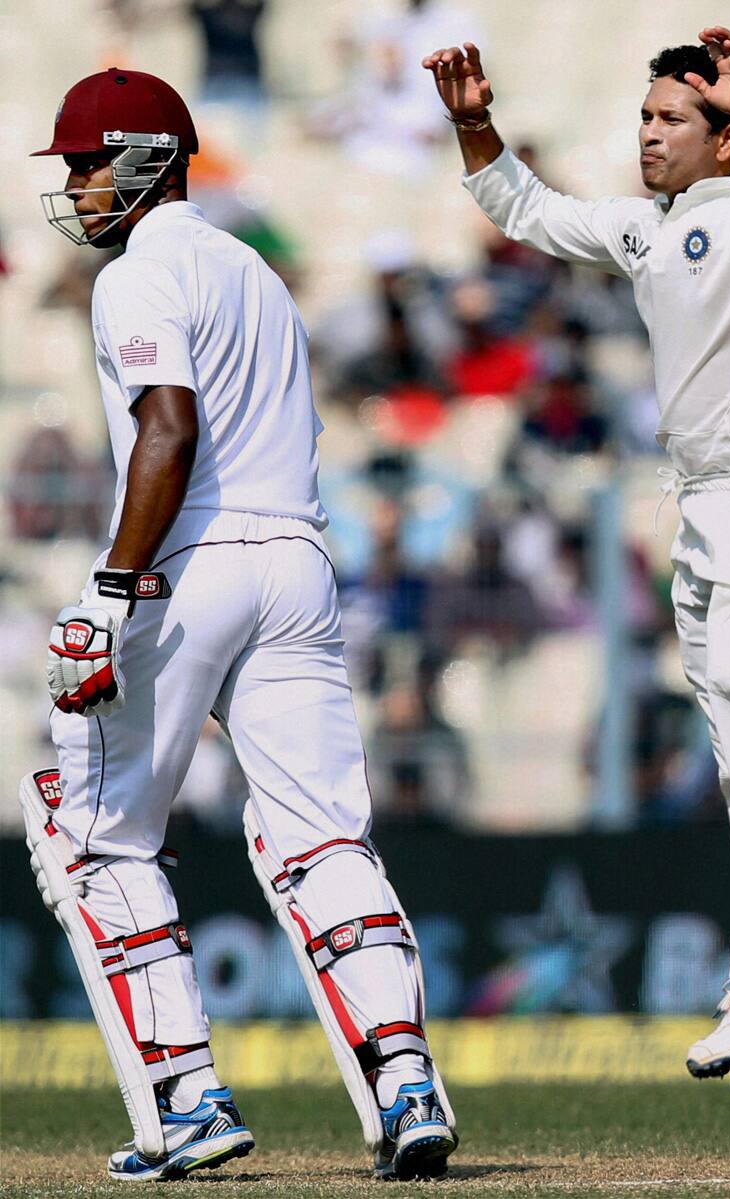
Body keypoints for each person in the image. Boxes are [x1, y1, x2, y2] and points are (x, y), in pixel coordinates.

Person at [24, 68, 456, 1181]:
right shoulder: (258, 269)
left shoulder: (139, 275)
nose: (76, 185)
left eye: (88, 161)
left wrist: (114, 585)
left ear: (151, 156)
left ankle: (187, 1098)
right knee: (320, 836)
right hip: (300, 565)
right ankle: (406, 1083)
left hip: (190, 566)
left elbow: (168, 429)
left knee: (92, 832)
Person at [424, 28, 730, 1097]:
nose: (648, 135)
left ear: (725, 141)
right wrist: (473, 122)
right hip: (708, 505)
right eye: (643, 117)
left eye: (672, 119)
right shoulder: (645, 228)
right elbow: (529, 210)